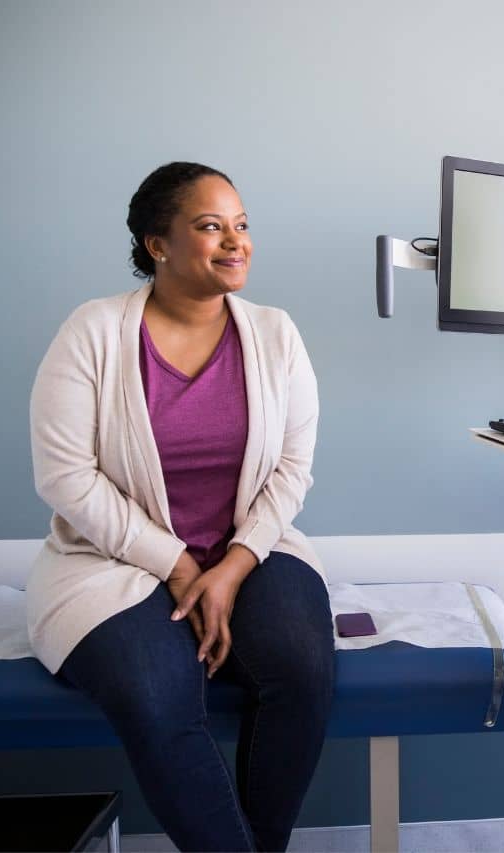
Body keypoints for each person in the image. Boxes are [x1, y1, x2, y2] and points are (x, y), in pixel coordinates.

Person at [26, 162, 333, 852]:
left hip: (252, 547)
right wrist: (175, 564)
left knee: (303, 669)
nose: (236, 241)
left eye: (242, 224)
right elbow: (65, 474)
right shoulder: (94, 332)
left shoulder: (277, 334)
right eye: (210, 226)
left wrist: (226, 570)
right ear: (156, 244)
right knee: (154, 691)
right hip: (111, 561)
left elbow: (292, 470)